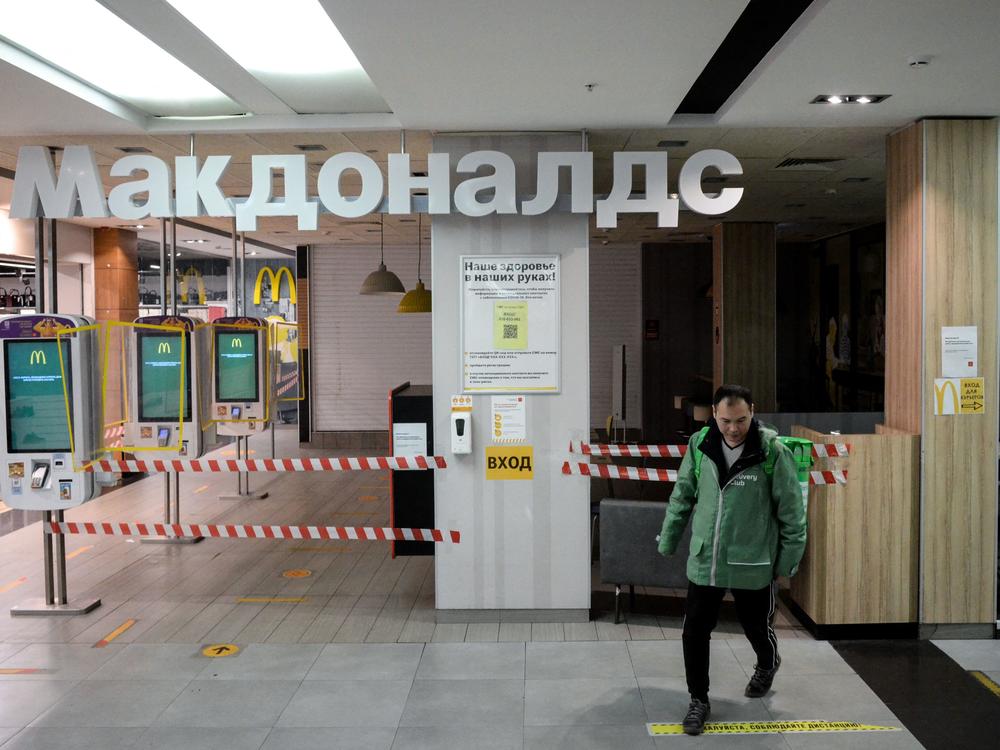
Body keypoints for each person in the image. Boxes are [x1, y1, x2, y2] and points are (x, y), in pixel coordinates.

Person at [657, 384, 807, 736]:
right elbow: (682, 494)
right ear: (714, 414)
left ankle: (767, 662)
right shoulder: (700, 445)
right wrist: (669, 538)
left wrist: (786, 563)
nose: (733, 428)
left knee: (755, 626)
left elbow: (792, 514)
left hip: (752, 561)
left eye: (740, 420)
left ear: (752, 411)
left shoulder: (771, 452)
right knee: (694, 630)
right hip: (705, 559)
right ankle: (698, 700)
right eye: (725, 420)